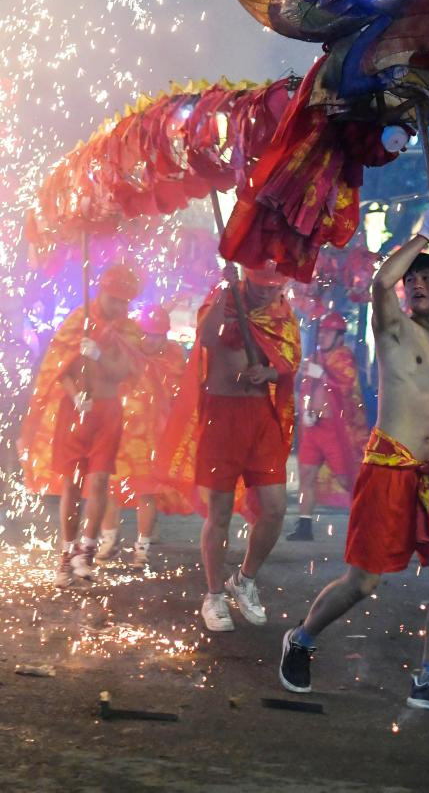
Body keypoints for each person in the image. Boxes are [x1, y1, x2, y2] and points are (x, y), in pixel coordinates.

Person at [278, 206, 429, 713]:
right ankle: (302, 639)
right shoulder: (394, 328)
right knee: (364, 582)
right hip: (388, 468)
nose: (416, 284)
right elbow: (381, 283)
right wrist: (421, 235)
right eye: (413, 279)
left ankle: (428, 679)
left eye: (428, 278)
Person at [193, 263, 301, 631]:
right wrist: (225, 291)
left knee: (275, 509)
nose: (266, 292)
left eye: (273, 286)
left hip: (260, 418)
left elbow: (289, 362)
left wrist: (269, 373)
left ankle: (244, 579)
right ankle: (214, 595)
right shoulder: (223, 299)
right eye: (259, 284)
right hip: (221, 417)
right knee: (219, 512)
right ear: (246, 277)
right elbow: (206, 338)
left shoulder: (281, 313)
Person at [19, 265, 141, 586]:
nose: (119, 306)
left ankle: (86, 552)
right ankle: (67, 553)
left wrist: (98, 354)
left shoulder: (128, 330)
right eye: (114, 299)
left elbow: (122, 371)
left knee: (99, 481)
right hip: (75, 413)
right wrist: (75, 397)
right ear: (101, 293)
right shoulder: (78, 321)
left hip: (108, 412)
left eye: (124, 301)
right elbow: (59, 368)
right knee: (71, 486)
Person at [97, 305, 185, 568]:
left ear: (166, 335)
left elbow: (175, 391)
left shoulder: (173, 357)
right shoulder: (125, 350)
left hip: (152, 437)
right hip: (120, 430)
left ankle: (142, 548)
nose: (151, 340)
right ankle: (108, 541)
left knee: (147, 492)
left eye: (157, 335)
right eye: (146, 334)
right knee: (109, 486)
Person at [287, 312, 366, 540]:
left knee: (346, 478)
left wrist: (322, 374)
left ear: (340, 337)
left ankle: (366, 521)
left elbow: (346, 388)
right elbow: (305, 389)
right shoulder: (314, 358)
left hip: (334, 429)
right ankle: (304, 525)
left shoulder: (344, 358)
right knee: (306, 476)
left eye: (328, 332)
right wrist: (305, 412)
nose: (322, 336)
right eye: (322, 332)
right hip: (313, 428)